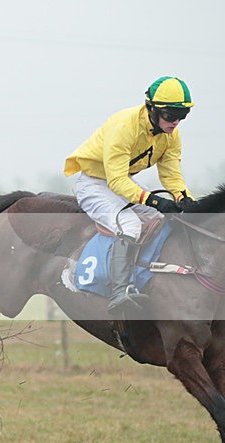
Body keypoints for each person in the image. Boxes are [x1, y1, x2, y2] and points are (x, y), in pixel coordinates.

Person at [64, 76, 196, 315]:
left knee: (164, 218)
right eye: (170, 115)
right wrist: (154, 200)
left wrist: (183, 198)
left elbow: (171, 174)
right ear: (152, 109)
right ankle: (119, 291)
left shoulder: (170, 135)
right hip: (94, 184)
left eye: (182, 115)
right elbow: (116, 180)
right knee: (130, 224)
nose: (176, 122)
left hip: (122, 183)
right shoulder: (124, 126)